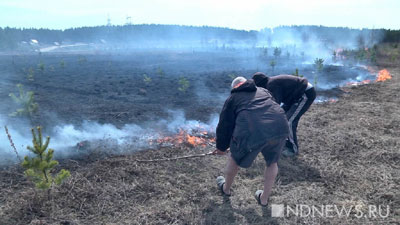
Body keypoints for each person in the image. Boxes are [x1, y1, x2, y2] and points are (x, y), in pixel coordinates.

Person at [212, 76, 289, 206]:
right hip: (280, 126)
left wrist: (221, 148)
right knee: (272, 162)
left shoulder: (232, 98)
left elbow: (225, 126)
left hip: (253, 131)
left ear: (234, 87)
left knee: (234, 159)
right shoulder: (263, 91)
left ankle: (226, 189)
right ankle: (264, 199)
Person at [252, 72, 316, 156]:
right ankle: (284, 142)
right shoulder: (271, 82)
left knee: (289, 121)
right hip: (293, 97)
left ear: (260, 85)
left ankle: (293, 149)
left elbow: (275, 104)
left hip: (305, 93)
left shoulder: (271, 85)